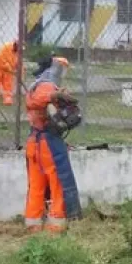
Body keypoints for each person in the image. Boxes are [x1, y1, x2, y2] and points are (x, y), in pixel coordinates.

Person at [23, 56, 81, 234]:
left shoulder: (36, 84)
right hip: (48, 144)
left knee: (36, 186)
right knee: (58, 183)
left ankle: (33, 223)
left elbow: (34, 102)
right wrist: (55, 95)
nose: (62, 72)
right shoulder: (46, 86)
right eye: (61, 68)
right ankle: (55, 225)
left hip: (34, 142)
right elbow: (39, 99)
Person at [0, 40, 20, 105]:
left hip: (8, 70)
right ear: (15, 45)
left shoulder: (18, 53)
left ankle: (8, 100)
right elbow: (2, 59)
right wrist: (10, 69)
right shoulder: (6, 47)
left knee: (8, 84)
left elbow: (18, 63)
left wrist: (19, 71)